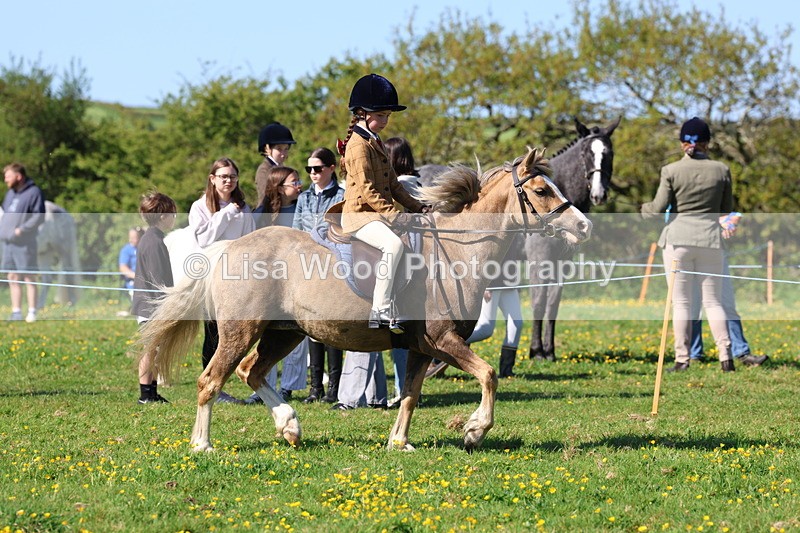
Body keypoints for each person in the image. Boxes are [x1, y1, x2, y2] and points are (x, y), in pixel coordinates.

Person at [332, 73, 427, 333]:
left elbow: (394, 185)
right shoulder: (357, 145)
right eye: (381, 115)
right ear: (362, 113)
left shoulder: (375, 141)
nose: (385, 121)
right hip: (359, 216)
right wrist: (395, 215)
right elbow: (368, 190)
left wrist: (419, 207)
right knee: (393, 245)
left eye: (387, 116)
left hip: (376, 214)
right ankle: (381, 309)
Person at [641, 117, 735, 372]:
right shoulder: (722, 169)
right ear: (707, 142)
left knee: (681, 303)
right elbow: (726, 209)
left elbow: (658, 207)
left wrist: (644, 209)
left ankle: (682, 359)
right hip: (711, 241)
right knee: (713, 302)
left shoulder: (670, 170)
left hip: (678, 241)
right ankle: (726, 358)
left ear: (683, 142)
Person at [189, 157, 256, 403]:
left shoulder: (243, 208)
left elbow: (249, 238)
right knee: (213, 331)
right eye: (223, 176)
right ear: (213, 179)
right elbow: (204, 239)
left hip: (237, 272)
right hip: (211, 273)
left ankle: (223, 382)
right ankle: (210, 383)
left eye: (232, 176)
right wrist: (226, 213)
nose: (228, 181)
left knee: (234, 329)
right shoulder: (200, 207)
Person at [246, 166, 307, 403]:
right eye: (294, 182)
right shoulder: (261, 214)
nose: (299, 185)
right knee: (266, 338)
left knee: (296, 336)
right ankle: (261, 386)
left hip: (297, 275)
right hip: (268, 279)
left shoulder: (301, 207)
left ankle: (289, 387)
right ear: (279, 188)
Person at [292, 147, 345, 404]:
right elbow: (297, 229)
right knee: (311, 325)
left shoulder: (342, 196)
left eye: (317, 168)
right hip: (308, 263)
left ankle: (334, 388)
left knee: (331, 323)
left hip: (332, 261)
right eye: (309, 169)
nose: (313, 173)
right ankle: (315, 388)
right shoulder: (304, 197)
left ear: (331, 168)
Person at [688, 214, 768, 367]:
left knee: (727, 305)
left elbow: (733, 214)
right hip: (689, 250)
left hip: (715, 251)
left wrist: (729, 222)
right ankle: (693, 354)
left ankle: (742, 353)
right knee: (693, 306)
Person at [383, 137, 421, 404]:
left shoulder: (403, 185)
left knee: (399, 329)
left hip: (404, 259)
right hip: (415, 258)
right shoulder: (416, 182)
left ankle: (402, 388)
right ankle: (406, 388)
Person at [131, 192, 177, 404]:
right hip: (151, 306)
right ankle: (145, 395)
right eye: (172, 213)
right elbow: (158, 280)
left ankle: (152, 392)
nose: (174, 218)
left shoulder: (154, 238)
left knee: (155, 350)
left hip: (150, 305)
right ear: (162, 216)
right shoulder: (154, 242)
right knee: (150, 350)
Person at [1, 163, 46, 323]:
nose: (5, 180)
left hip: (24, 243)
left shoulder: (34, 192)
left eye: (8, 176)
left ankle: (32, 312)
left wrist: (22, 230)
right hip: (8, 243)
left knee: (28, 276)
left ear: (18, 176)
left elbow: (39, 216)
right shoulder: (10, 194)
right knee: (12, 276)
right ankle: (16, 312)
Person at [255, 122, 296, 208]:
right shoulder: (264, 170)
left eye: (286, 149)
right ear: (267, 148)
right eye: (279, 149)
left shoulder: (285, 168)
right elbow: (267, 197)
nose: (283, 154)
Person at [119, 227, 143, 301]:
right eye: (130, 237)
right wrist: (137, 277)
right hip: (133, 283)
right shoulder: (126, 250)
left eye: (134, 237)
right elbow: (123, 268)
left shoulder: (143, 247)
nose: (131, 240)